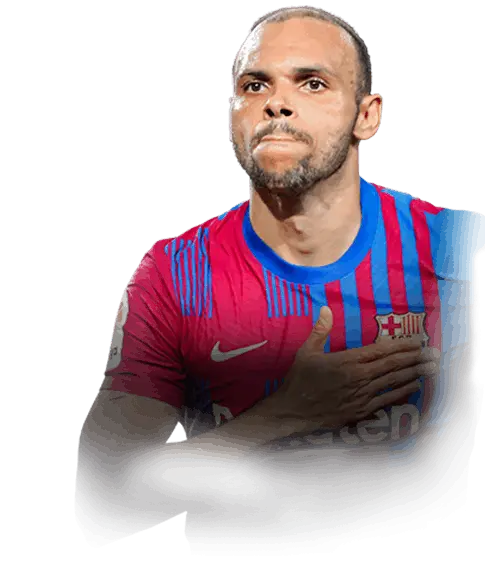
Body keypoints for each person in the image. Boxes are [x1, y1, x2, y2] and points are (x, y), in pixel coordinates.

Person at [73, 6, 484, 555]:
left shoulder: (459, 253)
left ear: (368, 116)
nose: (276, 103)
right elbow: (106, 485)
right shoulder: (176, 274)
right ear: (233, 114)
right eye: (255, 85)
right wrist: (284, 416)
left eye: (312, 83)